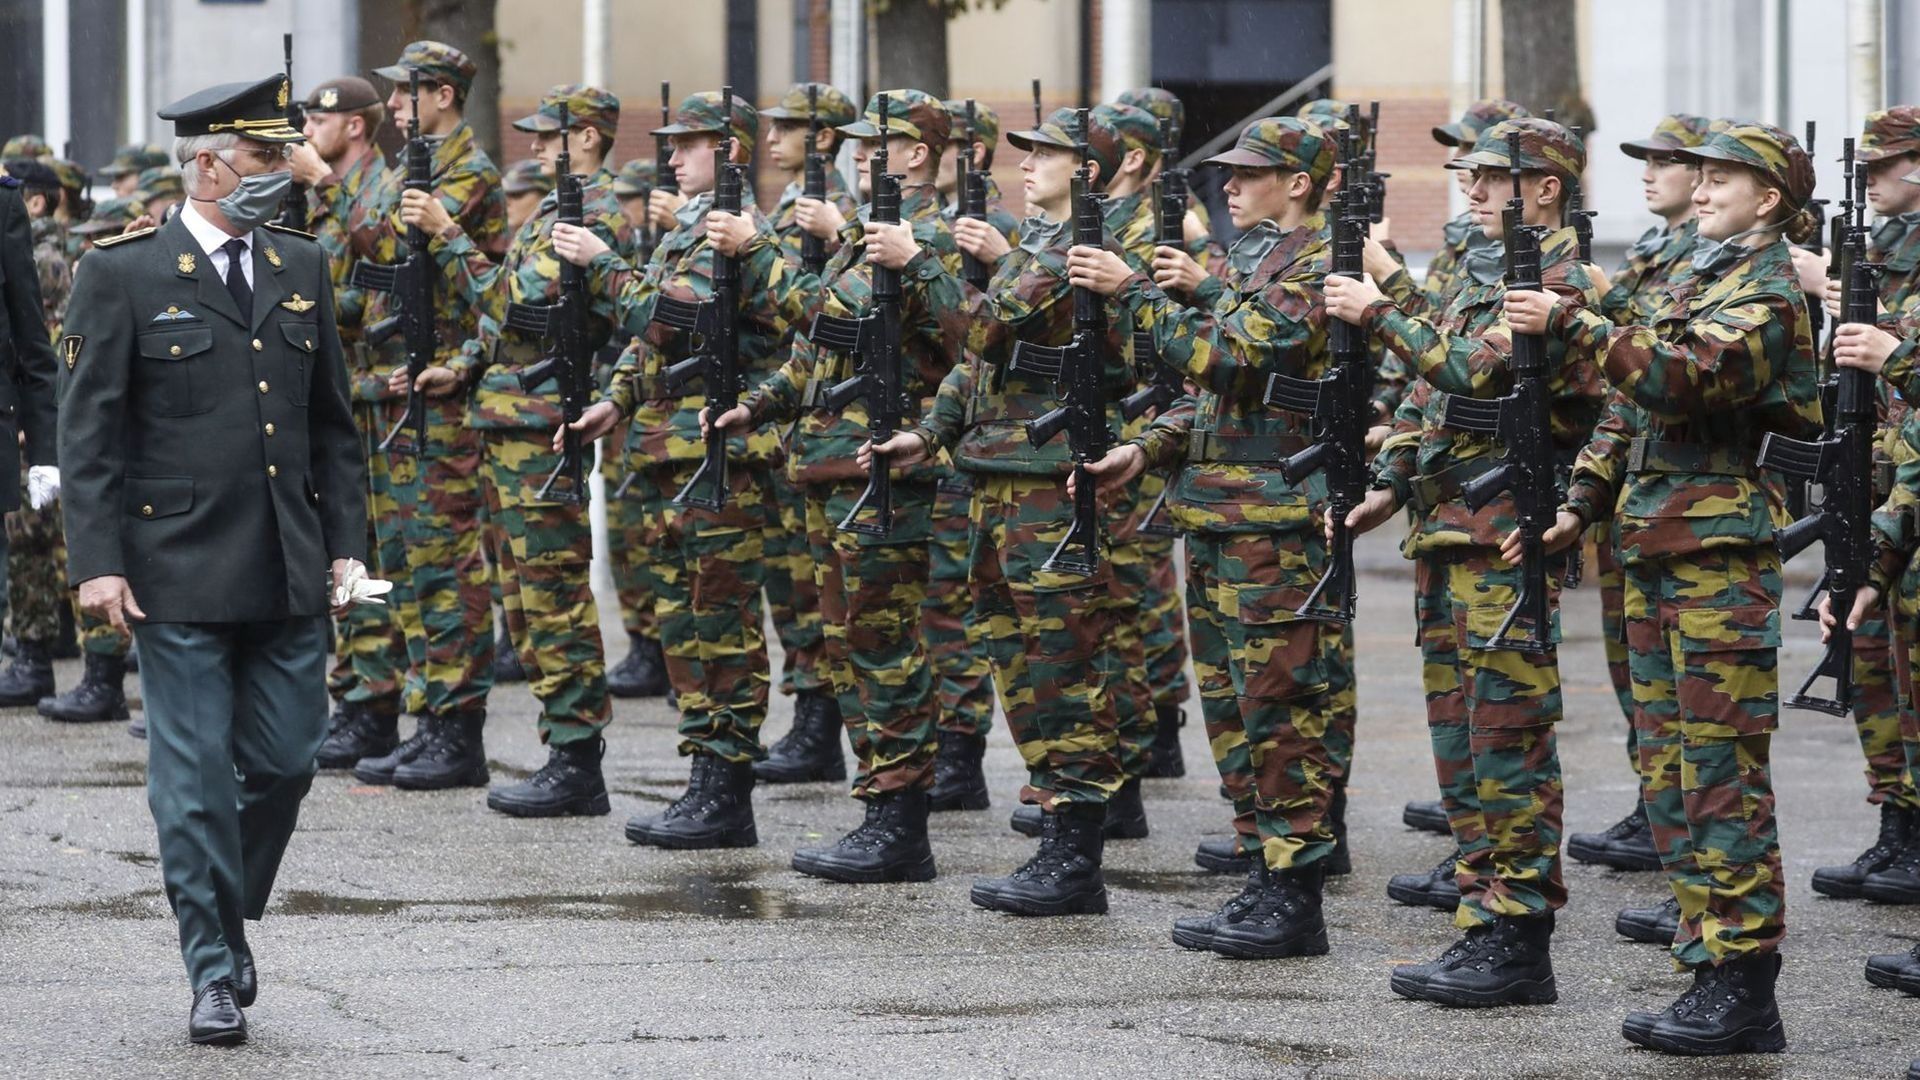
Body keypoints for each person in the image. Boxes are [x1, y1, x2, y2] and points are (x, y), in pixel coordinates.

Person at [59, 73, 368, 1045]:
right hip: (174, 567)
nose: (285, 171)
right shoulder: (122, 271)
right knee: (191, 784)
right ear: (207, 164)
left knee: (284, 761)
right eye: (268, 157)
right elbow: (90, 434)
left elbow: (334, 430)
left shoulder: (300, 265)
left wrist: (351, 549)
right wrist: (96, 562)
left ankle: (226, 910)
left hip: (286, 561)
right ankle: (211, 965)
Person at [1519, 121, 1819, 1054]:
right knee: (1671, 767)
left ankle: (1743, 982)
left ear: (1767, 198)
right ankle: (1705, 959)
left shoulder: (1766, 291)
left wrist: (1575, 320)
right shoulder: (1692, 272)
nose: (1705, 183)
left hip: (1717, 554)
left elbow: (1678, 379)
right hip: (1652, 542)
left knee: (1721, 769)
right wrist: (1582, 501)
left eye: (1725, 174)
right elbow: (1623, 412)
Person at [1330, 117, 1605, 1005]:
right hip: (1448, 529)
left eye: (1492, 177)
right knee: (1461, 741)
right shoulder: (1483, 273)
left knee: (1508, 738)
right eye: (1472, 176)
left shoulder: (1562, 281)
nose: (1473, 191)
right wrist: (1393, 479)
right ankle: (1481, 916)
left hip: (1504, 536)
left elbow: (1468, 374)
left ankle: (1521, 936)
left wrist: (1379, 308)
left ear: (1547, 188)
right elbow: (1425, 400)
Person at [1067, 114, 1350, 957]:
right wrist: (1144, 448)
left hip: (1275, 518)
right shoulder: (1247, 259)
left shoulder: (1317, 265)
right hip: (1217, 511)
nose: (1227, 184)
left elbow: (1231, 361)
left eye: (1249, 172)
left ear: (1298, 182)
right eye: (1227, 171)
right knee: (1233, 711)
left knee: (1281, 709)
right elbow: (1206, 399)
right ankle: (1264, 875)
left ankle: (1296, 894)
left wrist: (1135, 293)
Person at [868, 104, 1149, 915]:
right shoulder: (1031, 247)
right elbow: (976, 370)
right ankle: (1058, 827)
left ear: (1087, 174)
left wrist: (924, 261)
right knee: (1017, 662)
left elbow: (979, 328)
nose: (1027, 166)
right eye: (1025, 153)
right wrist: (930, 432)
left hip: (1047, 486)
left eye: (1048, 156)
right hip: (995, 477)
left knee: (1063, 666)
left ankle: (1076, 848)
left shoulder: (1085, 254)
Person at [712, 88, 968, 880]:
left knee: (883, 645)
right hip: (831, 468)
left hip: (882, 470)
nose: (858, 154)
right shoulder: (871, 238)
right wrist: (759, 403)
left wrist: (758, 249)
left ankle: (900, 821)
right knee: (850, 644)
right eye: (855, 142)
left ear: (918, 154)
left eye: (876, 143)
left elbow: (817, 311)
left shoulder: (924, 239)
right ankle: (880, 807)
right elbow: (820, 354)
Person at [554, 89, 792, 847]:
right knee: (684, 622)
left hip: (718, 456)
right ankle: (704, 781)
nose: (672, 155)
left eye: (689, 143)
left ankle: (727, 790)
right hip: (664, 452)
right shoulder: (688, 230)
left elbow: (664, 314)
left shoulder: (745, 238)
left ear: (729, 152)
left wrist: (603, 265)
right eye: (671, 142)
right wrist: (617, 401)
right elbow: (652, 345)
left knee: (719, 621)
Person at [395, 83, 633, 817]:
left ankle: (577, 761)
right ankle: (560, 749)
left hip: (543, 436)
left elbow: (507, 301)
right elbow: (505, 324)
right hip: (506, 425)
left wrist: (445, 231)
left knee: (553, 600)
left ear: (588, 138)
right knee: (522, 606)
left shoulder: (593, 216)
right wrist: (464, 364)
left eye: (549, 135)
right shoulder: (556, 213)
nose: (532, 146)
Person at [334, 42, 509, 796]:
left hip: (437, 403)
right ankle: (415, 710)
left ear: (442, 95)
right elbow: (368, 252)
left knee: (445, 567)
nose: (396, 107)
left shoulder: (468, 176)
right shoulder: (412, 173)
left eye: (408, 94)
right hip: (388, 395)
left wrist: (432, 221)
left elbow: (484, 294)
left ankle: (455, 726)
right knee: (398, 567)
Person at [1567, 115, 1715, 914]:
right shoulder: (1660, 254)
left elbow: (1658, 373)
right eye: (1648, 161)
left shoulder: (1727, 269)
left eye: (1668, 163)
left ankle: (1694, 862)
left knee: (1701, 716)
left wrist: (1589, 313)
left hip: (1699, 511)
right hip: (1639, 501)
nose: (1649, 174)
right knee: (1643, 681)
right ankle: (1659, 817)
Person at [1787, 105, 1920, 906]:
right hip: (1871, 469)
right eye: (1863, 170)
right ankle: (1896, 823)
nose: (1870, 183)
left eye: (1882, 168)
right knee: (1870, 654)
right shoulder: (1877, 246)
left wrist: (1895, 348)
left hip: (1909, 473)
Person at [284, 74, 408, 765]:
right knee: (337, 544)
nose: (307, 131)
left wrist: (327, 185)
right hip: (330, 386)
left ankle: (374, 704)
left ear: (353, 126)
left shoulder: (380, 188)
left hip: (367, 385)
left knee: (365, 549)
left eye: (317, 120)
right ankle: (351, 695)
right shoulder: (314, 190)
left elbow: (380, 268)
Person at [744, 81, 857, 782]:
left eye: (787, 128)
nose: (771, 138)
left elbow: (813, 309)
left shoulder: (838, 211)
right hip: (791, 417)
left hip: (829, 421)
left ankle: (823, 726)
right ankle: (811, 719)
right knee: (793, 582)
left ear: (822, 138)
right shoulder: (794, 205)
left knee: (822, 587)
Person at [0, 158, 73, 711]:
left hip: (31, 415)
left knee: (34, 539)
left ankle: (35, 653)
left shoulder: (46, 256)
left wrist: (34, 418)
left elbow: (39, 340)